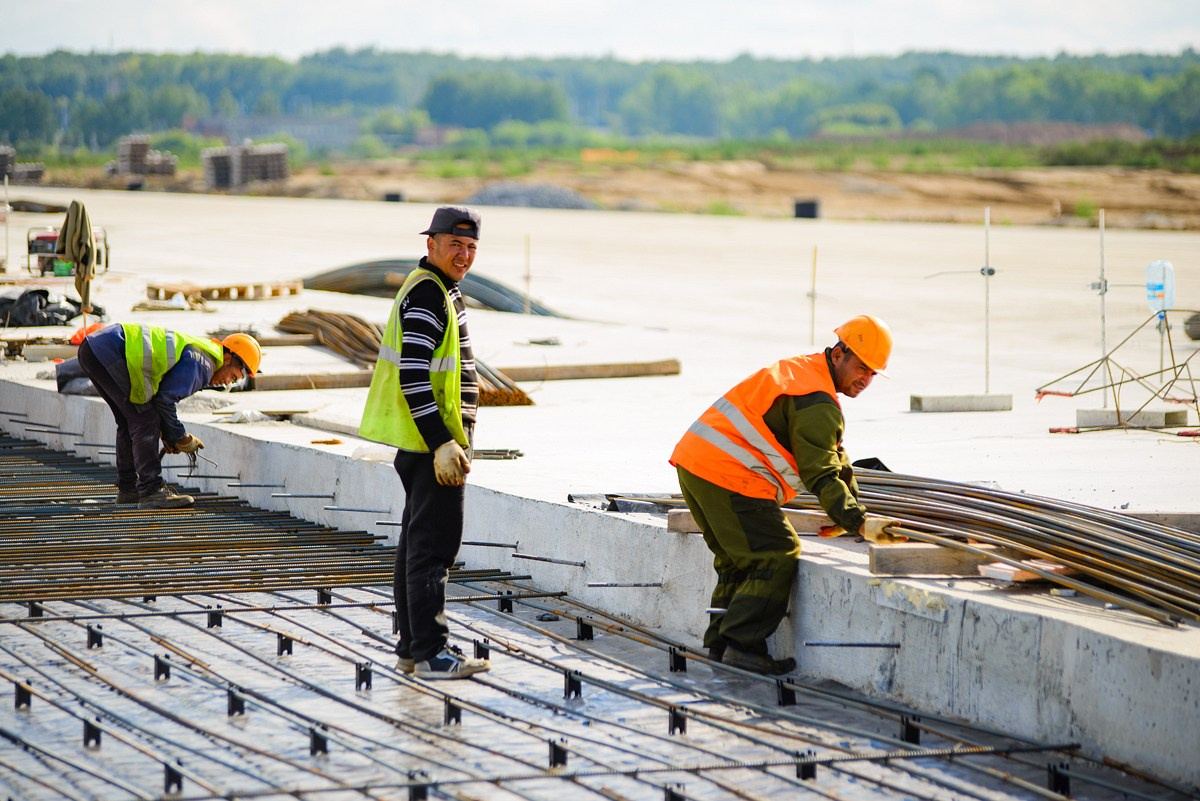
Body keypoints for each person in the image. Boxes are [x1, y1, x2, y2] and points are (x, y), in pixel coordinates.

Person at [669, 315, 905, 675]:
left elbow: (835, 458)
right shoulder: (817, 401)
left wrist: (850, 512)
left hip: (697, 464)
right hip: (729, 473)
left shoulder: (806, 375)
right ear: (840, 353)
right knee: (776, 552)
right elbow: (820, 473)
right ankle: (743, 647)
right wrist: (859, 522)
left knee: (738, 559)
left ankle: (719, 643)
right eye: (862, 367)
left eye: (874, 373)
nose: (866, 379)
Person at [360, 205, 490, 680]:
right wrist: (441, 443)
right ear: (430, 244)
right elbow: (415, 372)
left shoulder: (440, 290)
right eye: (455, 244)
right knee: (433, 550)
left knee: (415, 546)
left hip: (428, 445)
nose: (464, 254)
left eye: (472, 247)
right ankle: (434, 653)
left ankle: (412, 650)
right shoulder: (430, 295)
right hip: (432, 446)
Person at [76, 324, 261, 510]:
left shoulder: (200, 353)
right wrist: (179, 436)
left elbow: (160, 399)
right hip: (110, 351)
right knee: (145, 419)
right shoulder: (203, 363)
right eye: (233, 376)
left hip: (95, 349)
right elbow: (165, 400)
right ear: (228, 357)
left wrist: (167, 433)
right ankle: (151, 491)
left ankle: (129, 490)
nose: (228, 382)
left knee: (129, 420)